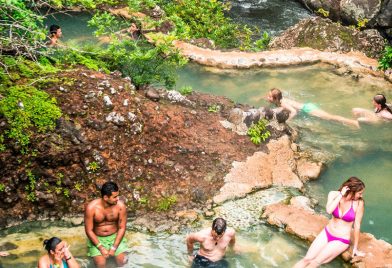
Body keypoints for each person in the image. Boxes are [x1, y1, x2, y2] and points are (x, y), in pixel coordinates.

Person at [294, 177, 366, 268]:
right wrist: (341, 195)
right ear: (352, 191)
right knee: (307, 259)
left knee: (315, 262)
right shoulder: (334, 194)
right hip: (327, 233)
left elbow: (357, 225)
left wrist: (355, 248)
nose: (361, 195)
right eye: (360, 193)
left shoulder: (359, 203)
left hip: (341, 239)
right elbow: (329, 210)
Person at [265, 88, 359, 128]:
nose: (267, 97)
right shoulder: (281, 99)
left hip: (308, 109)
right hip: (308, 106)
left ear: (276, 98)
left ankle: (354, 123)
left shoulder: (282, 103)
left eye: (269, 96)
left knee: (331, 117)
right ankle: (351, 123)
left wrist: (288, 121)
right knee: (330, 118)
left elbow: (294, 112)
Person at [84, 181, 128, 268]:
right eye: (115, 197)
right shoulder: (91, 208)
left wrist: (114, 248)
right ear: (105, 197)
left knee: (122, 262)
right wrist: (101, 248)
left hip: (115, 237)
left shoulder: (120, 207)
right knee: (101, 264)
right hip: (97, 239)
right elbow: (88, 230)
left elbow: (122, 228)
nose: (117, 199)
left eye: (118, 196)